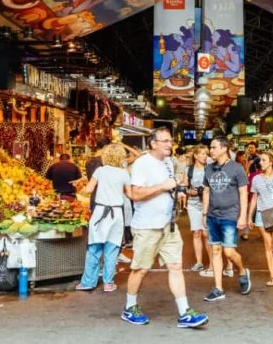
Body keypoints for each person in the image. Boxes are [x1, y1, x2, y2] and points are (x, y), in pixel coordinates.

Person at [122, 127, 207, 328]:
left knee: (176, 266)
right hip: (147, 226)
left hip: (168, 226)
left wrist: (174, 193)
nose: (170, 144)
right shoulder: (142, 164)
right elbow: (134, 194)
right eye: (165, 141)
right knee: (140, 269)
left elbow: (167, 186)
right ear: (153, 144)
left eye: (170, 141)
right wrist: (163, 187)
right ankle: (130, 307)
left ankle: (185, 312)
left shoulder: (168, 162)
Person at [202, 135, 252, 302]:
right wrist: (204, 213)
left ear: (224, 148)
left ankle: (242, 270)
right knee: (215, 251)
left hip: (230, 215)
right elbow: (207, 191)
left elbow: (243, 193)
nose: (211, 150)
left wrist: (243, 216)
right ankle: (218, 288)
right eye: (211, 147)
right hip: (212, 216)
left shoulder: (237, 168)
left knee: (229, 252)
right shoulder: (208, 169)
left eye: (214, 147)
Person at [77, 143, 132, 292]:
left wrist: (80, 189)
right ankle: (108, 283)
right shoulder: (124, 173)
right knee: (112, 249)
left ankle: (88, 282)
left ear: (105, 156)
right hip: (117, 214)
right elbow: (131, 194)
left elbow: (88, 189)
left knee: (94, 248)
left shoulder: (100, 171)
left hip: (100, 213)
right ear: (121, 157)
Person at [248, 150, 273, 286]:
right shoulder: (256, 179)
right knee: (268, 246)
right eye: (260, 160)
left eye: (264, 160)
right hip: (261, 215)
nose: (260, 163)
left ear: (271, 162)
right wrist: (249, 217)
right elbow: (254, 198)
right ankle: (271, 276)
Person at [185, 145, 211, 274]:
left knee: (206, 234)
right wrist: (190, 191)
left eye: (206, 153)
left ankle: (212, 263)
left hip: (208, 204)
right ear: (195, 155)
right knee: (196, 233)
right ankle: (199, 262)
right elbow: (184, 186)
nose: (205, 156)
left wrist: (204, 190)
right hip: (193, 204)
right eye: (202, 153)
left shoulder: (210, 169)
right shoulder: (189, 170)